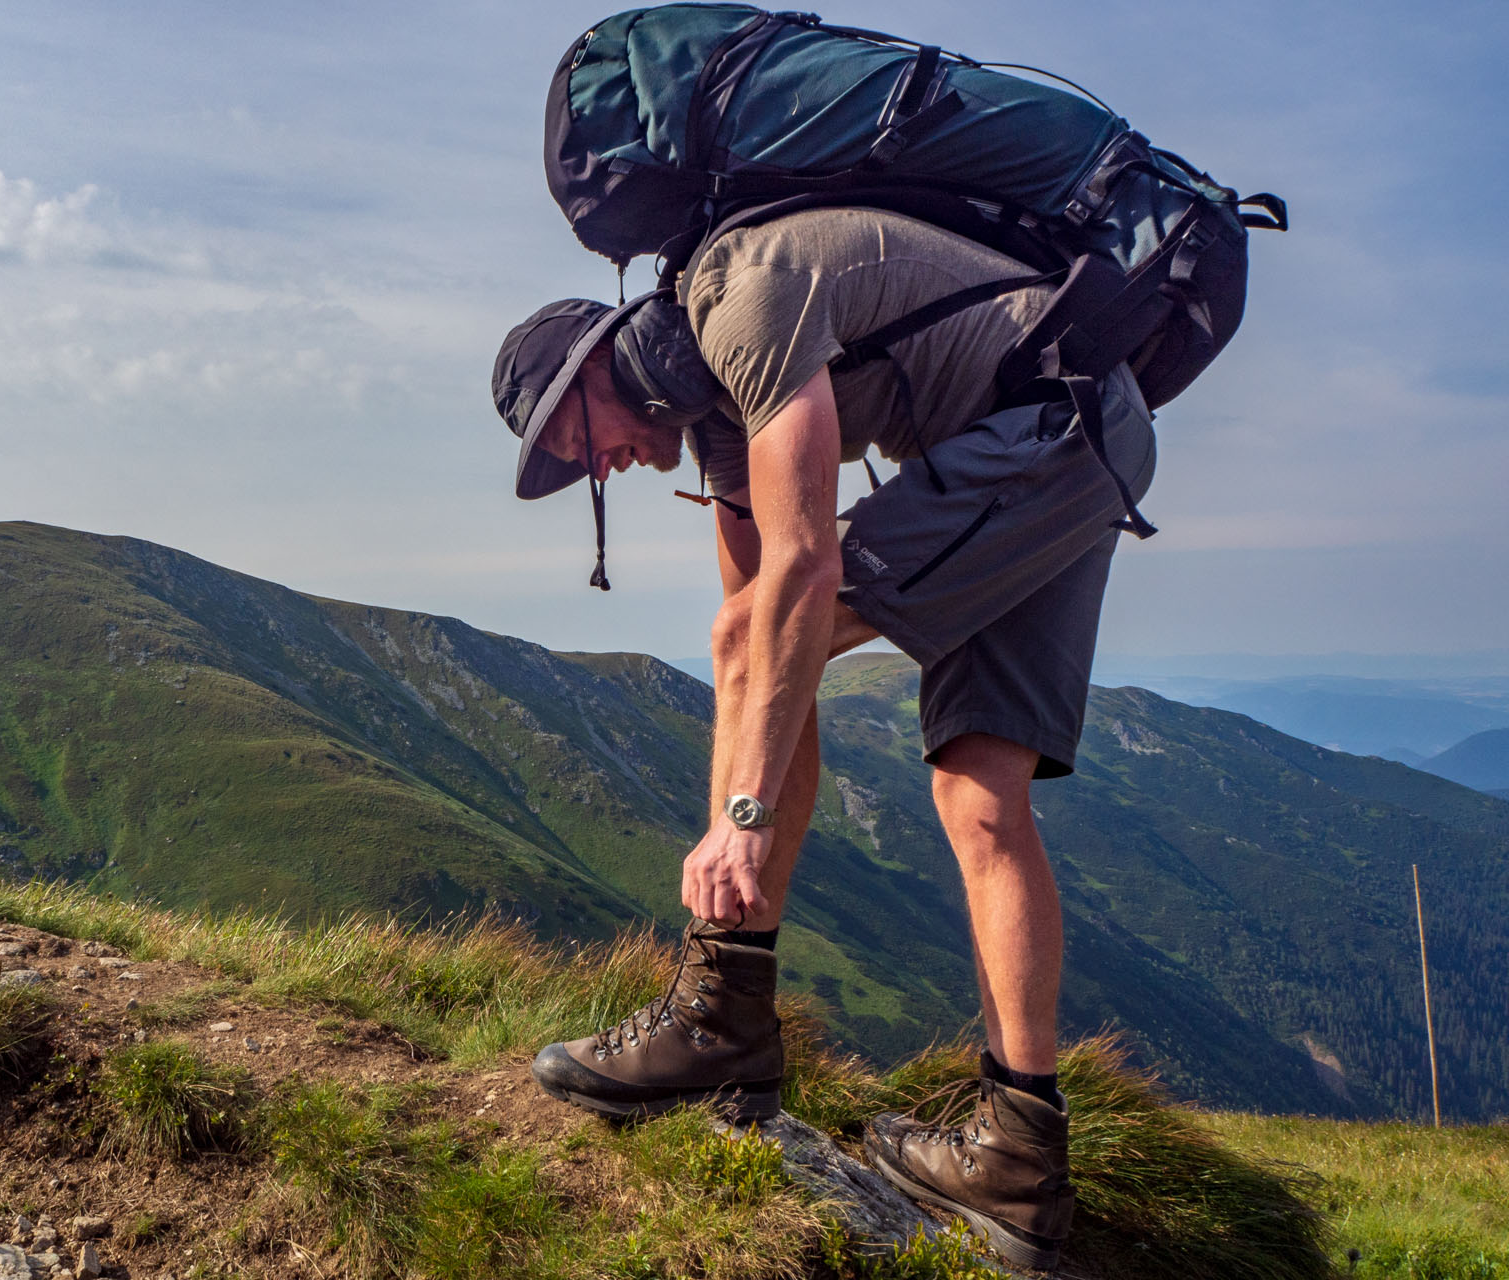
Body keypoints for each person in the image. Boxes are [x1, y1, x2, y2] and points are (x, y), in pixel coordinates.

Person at [490, 204, 1158, 1271]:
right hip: (1075, 433)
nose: (599, 469)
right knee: (980, 792)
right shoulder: (715, 417)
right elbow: (763, 644)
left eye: (580, 441)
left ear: (598, 368)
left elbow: (801, 577)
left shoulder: (741, 299)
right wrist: (756, 712)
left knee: (754, 636)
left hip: (1051, 428)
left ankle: (721, 1013)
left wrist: (743, 822)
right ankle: (1020, 1157)